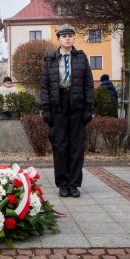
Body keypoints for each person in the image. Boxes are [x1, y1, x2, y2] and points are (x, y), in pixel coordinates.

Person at [40, 24, 94, 198]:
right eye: (64, 36)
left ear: (73, 38)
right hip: (58, 105)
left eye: (70, 35)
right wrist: (46, 109)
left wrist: (88, 108)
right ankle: (62, 184)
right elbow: (45, 87)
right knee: (60, 146)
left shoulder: (81, 57)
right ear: (58, 39)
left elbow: (88, 84)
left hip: (76, 105)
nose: (67, 38)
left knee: (77, 147)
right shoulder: (50, 59)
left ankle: (74, 184)